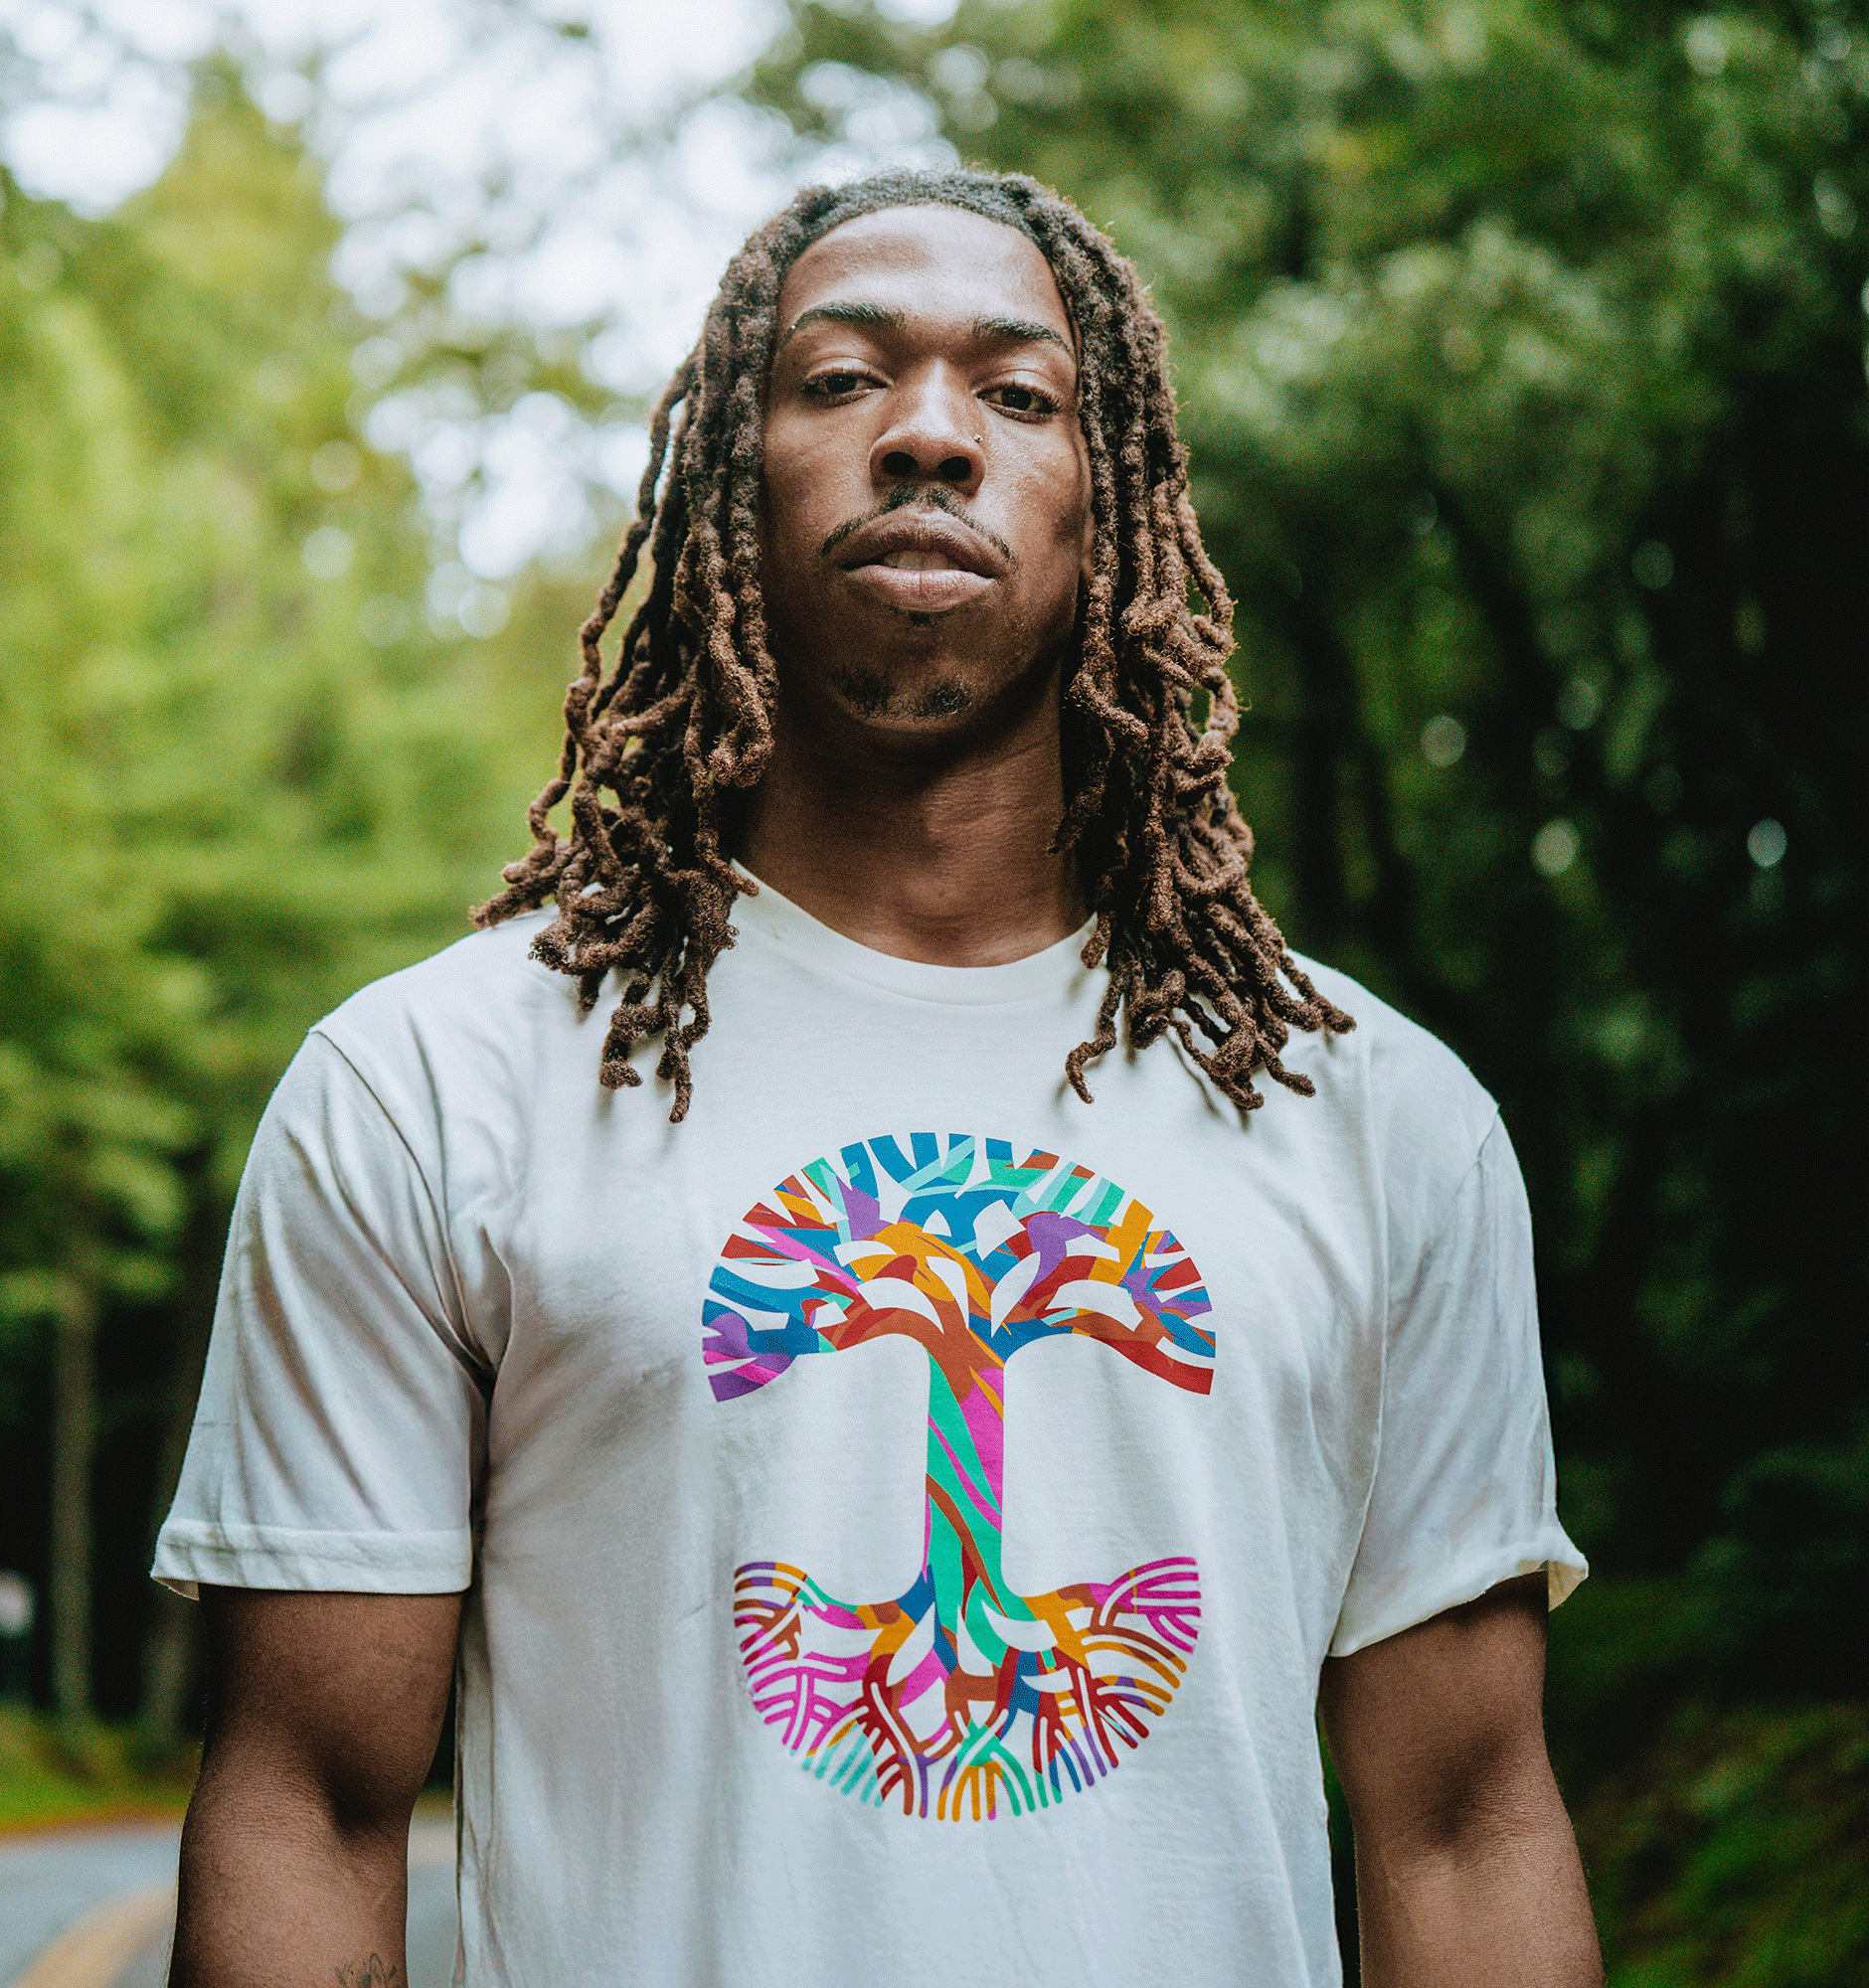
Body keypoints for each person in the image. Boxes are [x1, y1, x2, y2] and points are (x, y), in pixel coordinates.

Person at [156, 167, 1603, 1988]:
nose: (928, 433)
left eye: (1018, 392)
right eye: (841, 379)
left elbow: (1463, 1826)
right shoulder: (434, 1089)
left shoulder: (1376, 1120)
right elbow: (309, 1808)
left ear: (1113, 499)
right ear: (728, 479)